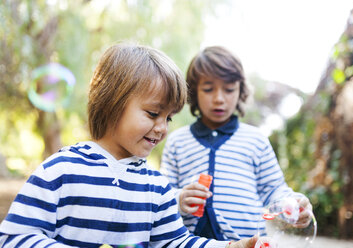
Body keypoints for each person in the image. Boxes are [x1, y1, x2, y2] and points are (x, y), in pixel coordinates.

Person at [0, 43, 258, 248]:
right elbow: (14, 237)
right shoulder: (61, 170)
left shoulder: (156, 187)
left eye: (168, 118)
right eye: (153, 113)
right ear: (112, 103)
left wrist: (231, 247)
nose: (162, 128)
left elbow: (176, 242)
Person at [160, 46, 313, 241]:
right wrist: (179, 198)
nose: (219, 98)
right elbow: (162, 195)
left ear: (241, 90)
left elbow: (274, 189)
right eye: (208, 89)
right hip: (190, 242)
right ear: (193, 91)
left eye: (229, 89)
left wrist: (292, 205)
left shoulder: (256, 140)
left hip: (247, 242)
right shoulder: (177, 141)